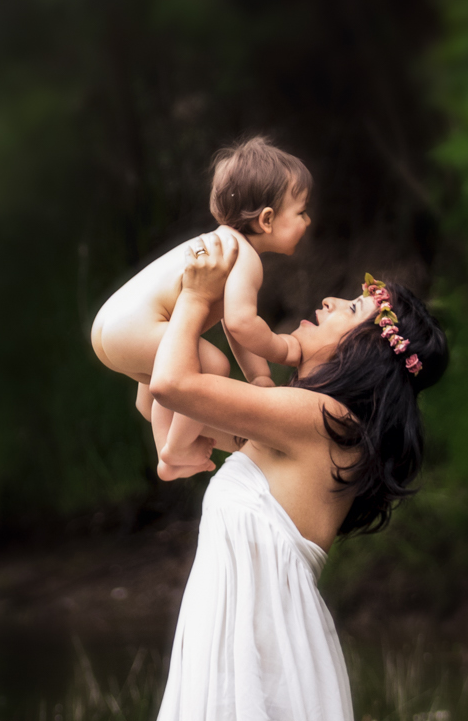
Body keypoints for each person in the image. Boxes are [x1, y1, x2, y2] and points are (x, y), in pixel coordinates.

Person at [74, 237, 449, 721]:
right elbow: (170, 420)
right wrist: (182, 359)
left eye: (344, 308)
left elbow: (176, 375)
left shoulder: (320, 415)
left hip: (258, 654)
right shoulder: (302, 419)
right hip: (244, 649)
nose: (324, 304)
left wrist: (196, 303)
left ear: (364, 349)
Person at [89, 138, 312, 482]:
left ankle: (170, 455)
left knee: (173, 382)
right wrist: (282, 349)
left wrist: (259, 376)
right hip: (136, 327)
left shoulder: (220, 244)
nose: (307, 221)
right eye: (301, 212)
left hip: (111, 326)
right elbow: (241, 323)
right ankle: (175, 450)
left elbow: (230, 322)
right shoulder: (245, 257)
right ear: (267, 220)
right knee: (211, 365)